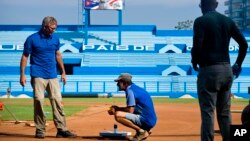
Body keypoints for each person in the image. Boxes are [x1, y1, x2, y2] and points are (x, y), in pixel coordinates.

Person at [191, 0, 248, 141]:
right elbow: (244, 44)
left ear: (202, 6)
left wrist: (194, 61)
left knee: (208, 112)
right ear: (216, 5)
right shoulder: (227, 21)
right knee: (224, 113)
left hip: (209, 70)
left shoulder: (201, 21)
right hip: (227, 70)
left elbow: (197, 46)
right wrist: (238, 64)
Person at [19, 16, 76, 139]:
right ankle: (40, 129)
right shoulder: (32, 39)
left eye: (55, 28)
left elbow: (58, 55)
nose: (54, 30)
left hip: (52, 74)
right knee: (39, 100)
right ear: (45, 27)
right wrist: (22, 75)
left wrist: (63, 72)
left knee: (57, 101)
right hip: (37, 73)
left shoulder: (55, 38)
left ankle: (62, 129)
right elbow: (24, 57)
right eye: (52, 28)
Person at [108, 73, 157, 141]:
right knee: (123, 112)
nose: (117, 84)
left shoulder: (130, 91)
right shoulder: (135, 88)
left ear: (124, 83)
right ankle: (144, 131)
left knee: (118, 114)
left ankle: (141, 131)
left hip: (146, 120)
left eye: (119, 82)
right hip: (150, 119)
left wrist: (116, 109)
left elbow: (130, 110)